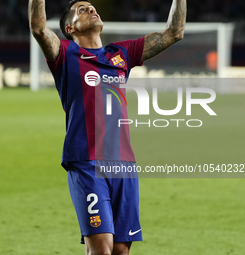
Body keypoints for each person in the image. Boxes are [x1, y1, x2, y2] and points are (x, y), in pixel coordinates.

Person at [28, 0, 186, 254]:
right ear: (70, 28)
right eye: (82, 9)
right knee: (101, 249)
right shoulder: (65, 54)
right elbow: (38, 29)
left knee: (121, 250)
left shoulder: (121, 54)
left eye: (91, 7)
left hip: (123, 164)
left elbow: (174, 33)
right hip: (86, 162)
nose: (91, 9)